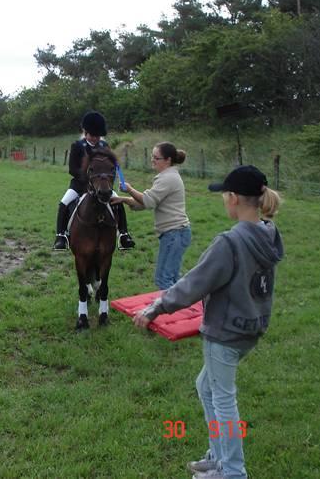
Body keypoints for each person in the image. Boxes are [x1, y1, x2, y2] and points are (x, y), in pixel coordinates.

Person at [134, 165, 284, 479]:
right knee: (206, 386)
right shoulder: (267, 233)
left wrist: (154, 308)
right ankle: (218, 457)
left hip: (226, 333)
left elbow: (192, 285)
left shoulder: (229, 243)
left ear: (233, 198)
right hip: (250, 329)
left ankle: (231, 471)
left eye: (224, 196)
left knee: (223, 398)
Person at [52, 110, 136, 251]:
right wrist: (88, 179)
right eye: (92, 135)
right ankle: (61, 236)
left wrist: (110, 180)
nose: (95, 139)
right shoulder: (77, 146)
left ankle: (124, 234)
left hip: (102, 185)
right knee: (64, 203)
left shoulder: (104, 147)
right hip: (80, 184)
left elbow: (112, 166)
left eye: (97, 136)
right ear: (85, 132)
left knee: (118, 201)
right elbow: (72, 169)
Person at [111, 142, 190, 289]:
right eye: (152, 156)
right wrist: (123, 200)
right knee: (172, 277)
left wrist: (129, 189)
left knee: (164, 279)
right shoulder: (169, 175)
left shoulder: (167, 178)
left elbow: (148, 201)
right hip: (177, 234)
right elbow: (146, 202)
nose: (152, 160)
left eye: (156, 157)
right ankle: (186, 304)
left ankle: (173, 310)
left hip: (175, 234)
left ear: (168, 160)